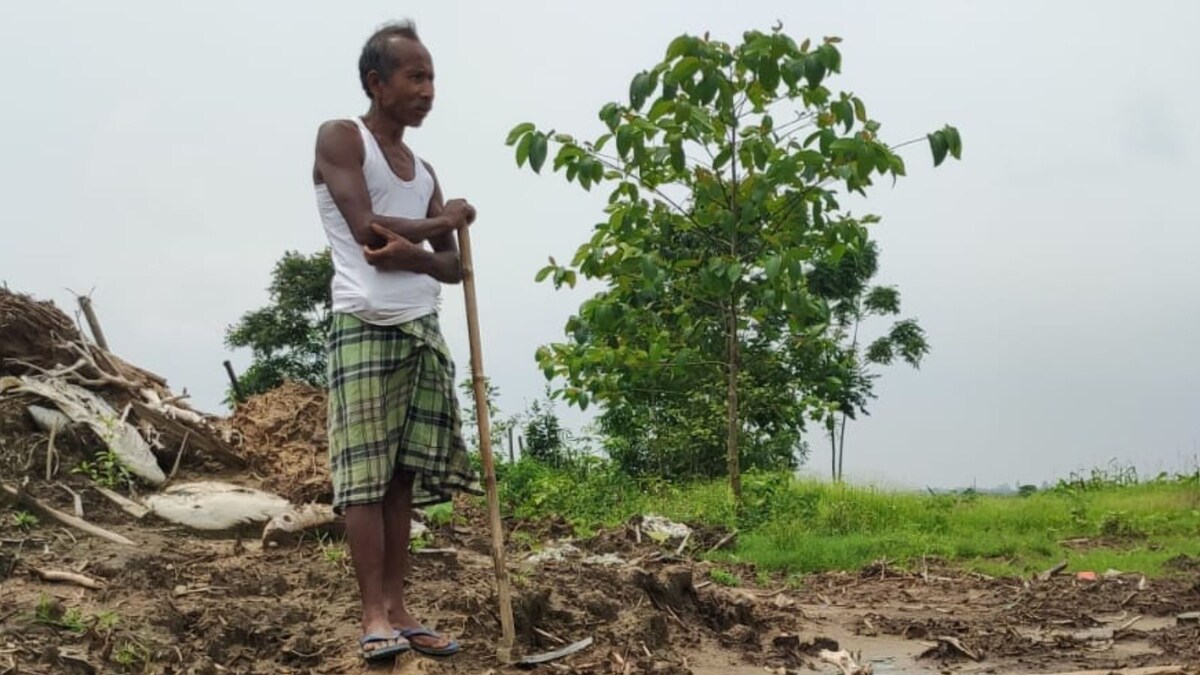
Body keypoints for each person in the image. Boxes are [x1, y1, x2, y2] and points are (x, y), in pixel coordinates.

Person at [312, 20, 482, 662]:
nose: (428, 90)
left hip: (420, 328)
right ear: (376, 83)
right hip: (363, 324)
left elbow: (451, 267)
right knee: (363, 475)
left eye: (432, 76)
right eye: (415, 76)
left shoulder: (423, 169)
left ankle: (401, 608)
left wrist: (427, 243)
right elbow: (370, 234)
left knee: (401, 476)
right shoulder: (341, 137)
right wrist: (441, 226)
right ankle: (372, 615)